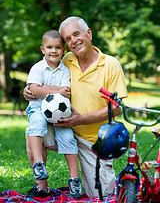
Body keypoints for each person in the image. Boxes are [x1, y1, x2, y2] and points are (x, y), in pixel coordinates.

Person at [24, 16, 128, 198]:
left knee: (101, 194)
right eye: (68, 39)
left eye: (76, 34)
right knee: (33, 130)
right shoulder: (65, 60)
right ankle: (41, 186)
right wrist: (30, 90)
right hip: (62, 129)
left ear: (89, 33)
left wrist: (80, 119)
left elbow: (116, 108)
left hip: (92, 141)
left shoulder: (110, 64)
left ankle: (79, 181)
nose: (73, 41)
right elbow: (43, 79)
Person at [25, 29, 83, 199]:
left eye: (58, 47)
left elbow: (66, 93)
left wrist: (45, 90)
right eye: (49, 47)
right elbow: (35, 90)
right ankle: (39, 165)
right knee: (37, 124)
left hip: (59, 112)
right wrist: (56, 90)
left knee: (68, 138)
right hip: (37, 108)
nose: (53, 51)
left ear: (63, 50)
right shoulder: (38, 68)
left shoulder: (65, 70)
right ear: (43, 49)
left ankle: (74, 180)